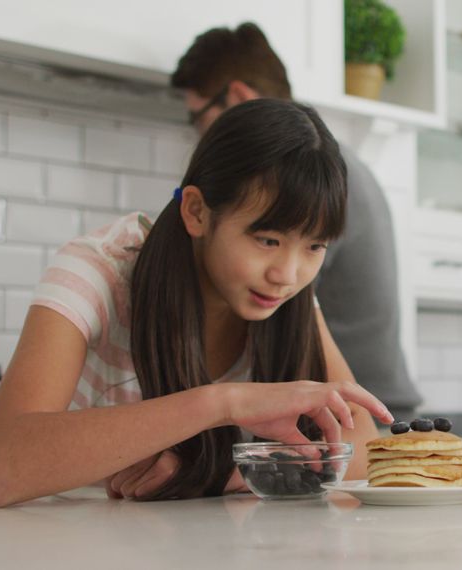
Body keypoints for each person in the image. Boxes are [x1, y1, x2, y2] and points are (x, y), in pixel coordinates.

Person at [0, 99, 395, 507]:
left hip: (112, 533)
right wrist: (225, 402)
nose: (287, 274)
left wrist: (214, 474)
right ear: (196, 212)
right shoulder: (99, 269)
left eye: (315, 246)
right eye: (267, 239)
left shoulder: (286, 295)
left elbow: (360, 448)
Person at [171, 22, 422, 419]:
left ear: (236, 96)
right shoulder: (334, 167)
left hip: (357, 419)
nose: (198, 136)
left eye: (198, 118)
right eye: (267, 240)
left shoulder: (309, 180)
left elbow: (273, 322)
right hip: (362, 408)